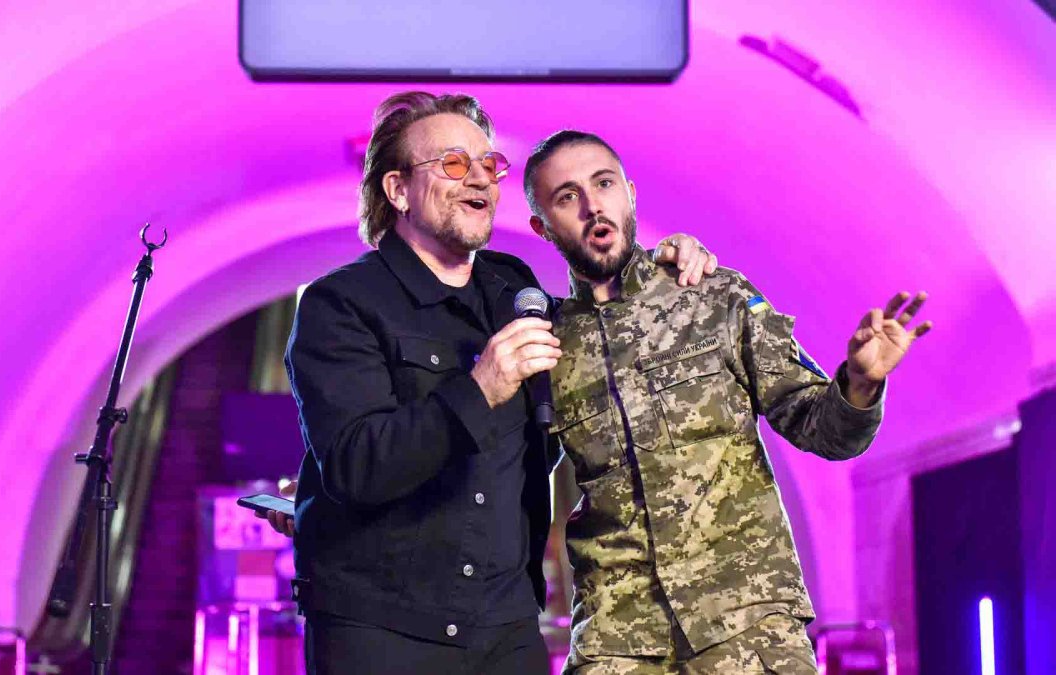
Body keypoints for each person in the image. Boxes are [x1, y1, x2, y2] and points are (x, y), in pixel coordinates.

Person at [272, 93, 716, 675]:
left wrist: (660, 266)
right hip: (382, 631)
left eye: (489, 164)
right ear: (398, 191)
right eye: (453, 164)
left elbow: (603, 348)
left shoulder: (516, 290)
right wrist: (480, 386)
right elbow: (359, 466)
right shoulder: (341, 305)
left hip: (505, 627)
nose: (479, 177)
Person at [523, 130, 932, 674]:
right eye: (567, 196)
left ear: (630, 193)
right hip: (616, 642)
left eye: (605, 183)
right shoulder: (547, 347)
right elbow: (511, 485)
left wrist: (859, 383)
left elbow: (823, 430)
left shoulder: (716, 296)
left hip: (746, 624)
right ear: (543, 226)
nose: (594, 204)